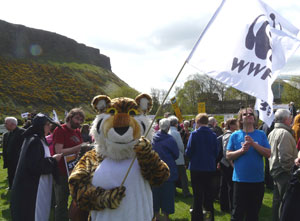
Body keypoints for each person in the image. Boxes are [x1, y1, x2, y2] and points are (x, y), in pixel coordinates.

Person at [10, 113, 62, 221]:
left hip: (36, 184)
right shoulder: (35, 141)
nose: (49, 127)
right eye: (48, 125)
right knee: (36, 214)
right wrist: (54, 159)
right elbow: (36, 166)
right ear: (42, 126)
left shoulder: (35, 139)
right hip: (34, 187)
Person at [226, 107, 271, 221]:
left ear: (254, 119)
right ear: (240, 120)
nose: (249, 115)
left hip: (257, 180)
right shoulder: (235, 135)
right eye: (245, 114)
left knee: (253, 213)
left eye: (251, 114)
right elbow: (228, 155)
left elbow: (268, 153)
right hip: (240, 180)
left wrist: (253, 144)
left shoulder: (261, 134)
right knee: (237, 213)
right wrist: (241, 151)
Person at [53, 108, 87, 221]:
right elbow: (59, 151)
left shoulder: (77, 131)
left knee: (75, 200)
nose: (79, 122)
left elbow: (79, 148)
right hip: (62, 172)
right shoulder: (60, 130)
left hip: (75, 171)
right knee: (61, 201)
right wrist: (79, 147)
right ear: (70, 117)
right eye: (77, 118)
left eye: (81, 120)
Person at [186, 113, 218, 221]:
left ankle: (197, 218)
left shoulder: (194, 134)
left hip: (196, 167)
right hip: (209, 167)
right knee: (209, 195)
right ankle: (210, 217)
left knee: (198, 195)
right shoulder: (213, 135)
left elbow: (189, 151)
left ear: (198, 122)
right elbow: (216, 152)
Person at [268, 109, 298, 221]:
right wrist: (293, 171)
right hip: (284, 173)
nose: (292, 118)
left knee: (277, 201)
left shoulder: (273, 132)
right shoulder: (284, 133)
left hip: (276, 172)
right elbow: (285, 158)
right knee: (285, 202)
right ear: (286, 119)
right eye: (290, 116)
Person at [152, 118, 179, 221]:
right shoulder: (170, 139)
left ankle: (156, 215)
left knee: (155, 193)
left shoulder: (153, 139)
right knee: (167, 194)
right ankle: (166, 216)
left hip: (155, 169)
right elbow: (176, 154)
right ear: (168, 127)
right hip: (168, 170)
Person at [168, 116, 192, 198]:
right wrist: (183, 153)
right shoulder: (176, 133)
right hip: (178, 157)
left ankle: (173, 191)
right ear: (175, 124)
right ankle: (186, 192)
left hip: (170, 157)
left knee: (171, 175)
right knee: (183, 176)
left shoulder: (167, 132)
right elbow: (180, 146)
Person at [219, 118, 237, 213]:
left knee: (225, 185)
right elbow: (226, 151)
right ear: (231, 125)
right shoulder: (229, 135)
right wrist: (231, 163)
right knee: (229, 186)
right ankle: (229, 207)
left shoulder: (230, 134)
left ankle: (225, 206)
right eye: (235, 123)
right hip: (227, 164)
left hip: (226, 163)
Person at [2, 117, 25, 190]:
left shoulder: (22, 132)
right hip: (9, 159)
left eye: (6, 123)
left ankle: (19, 187)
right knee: (10, 173)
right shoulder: (6, 134)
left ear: (12, 124)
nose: (4, 125)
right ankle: (11, 186)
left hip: (18, 159)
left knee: (18, 174)